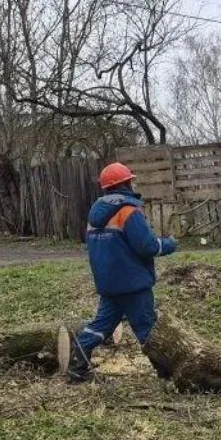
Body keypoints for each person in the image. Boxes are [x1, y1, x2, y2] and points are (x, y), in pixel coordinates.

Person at [69, 162, 178, 383]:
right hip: (133, 284)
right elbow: (147, 246)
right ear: (126, 184)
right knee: (147, 328)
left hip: (109, 284)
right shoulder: (128, 211)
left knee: (101, 326)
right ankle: (165, 372)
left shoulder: (94, 216)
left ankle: (76, 365)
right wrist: (169, 244)